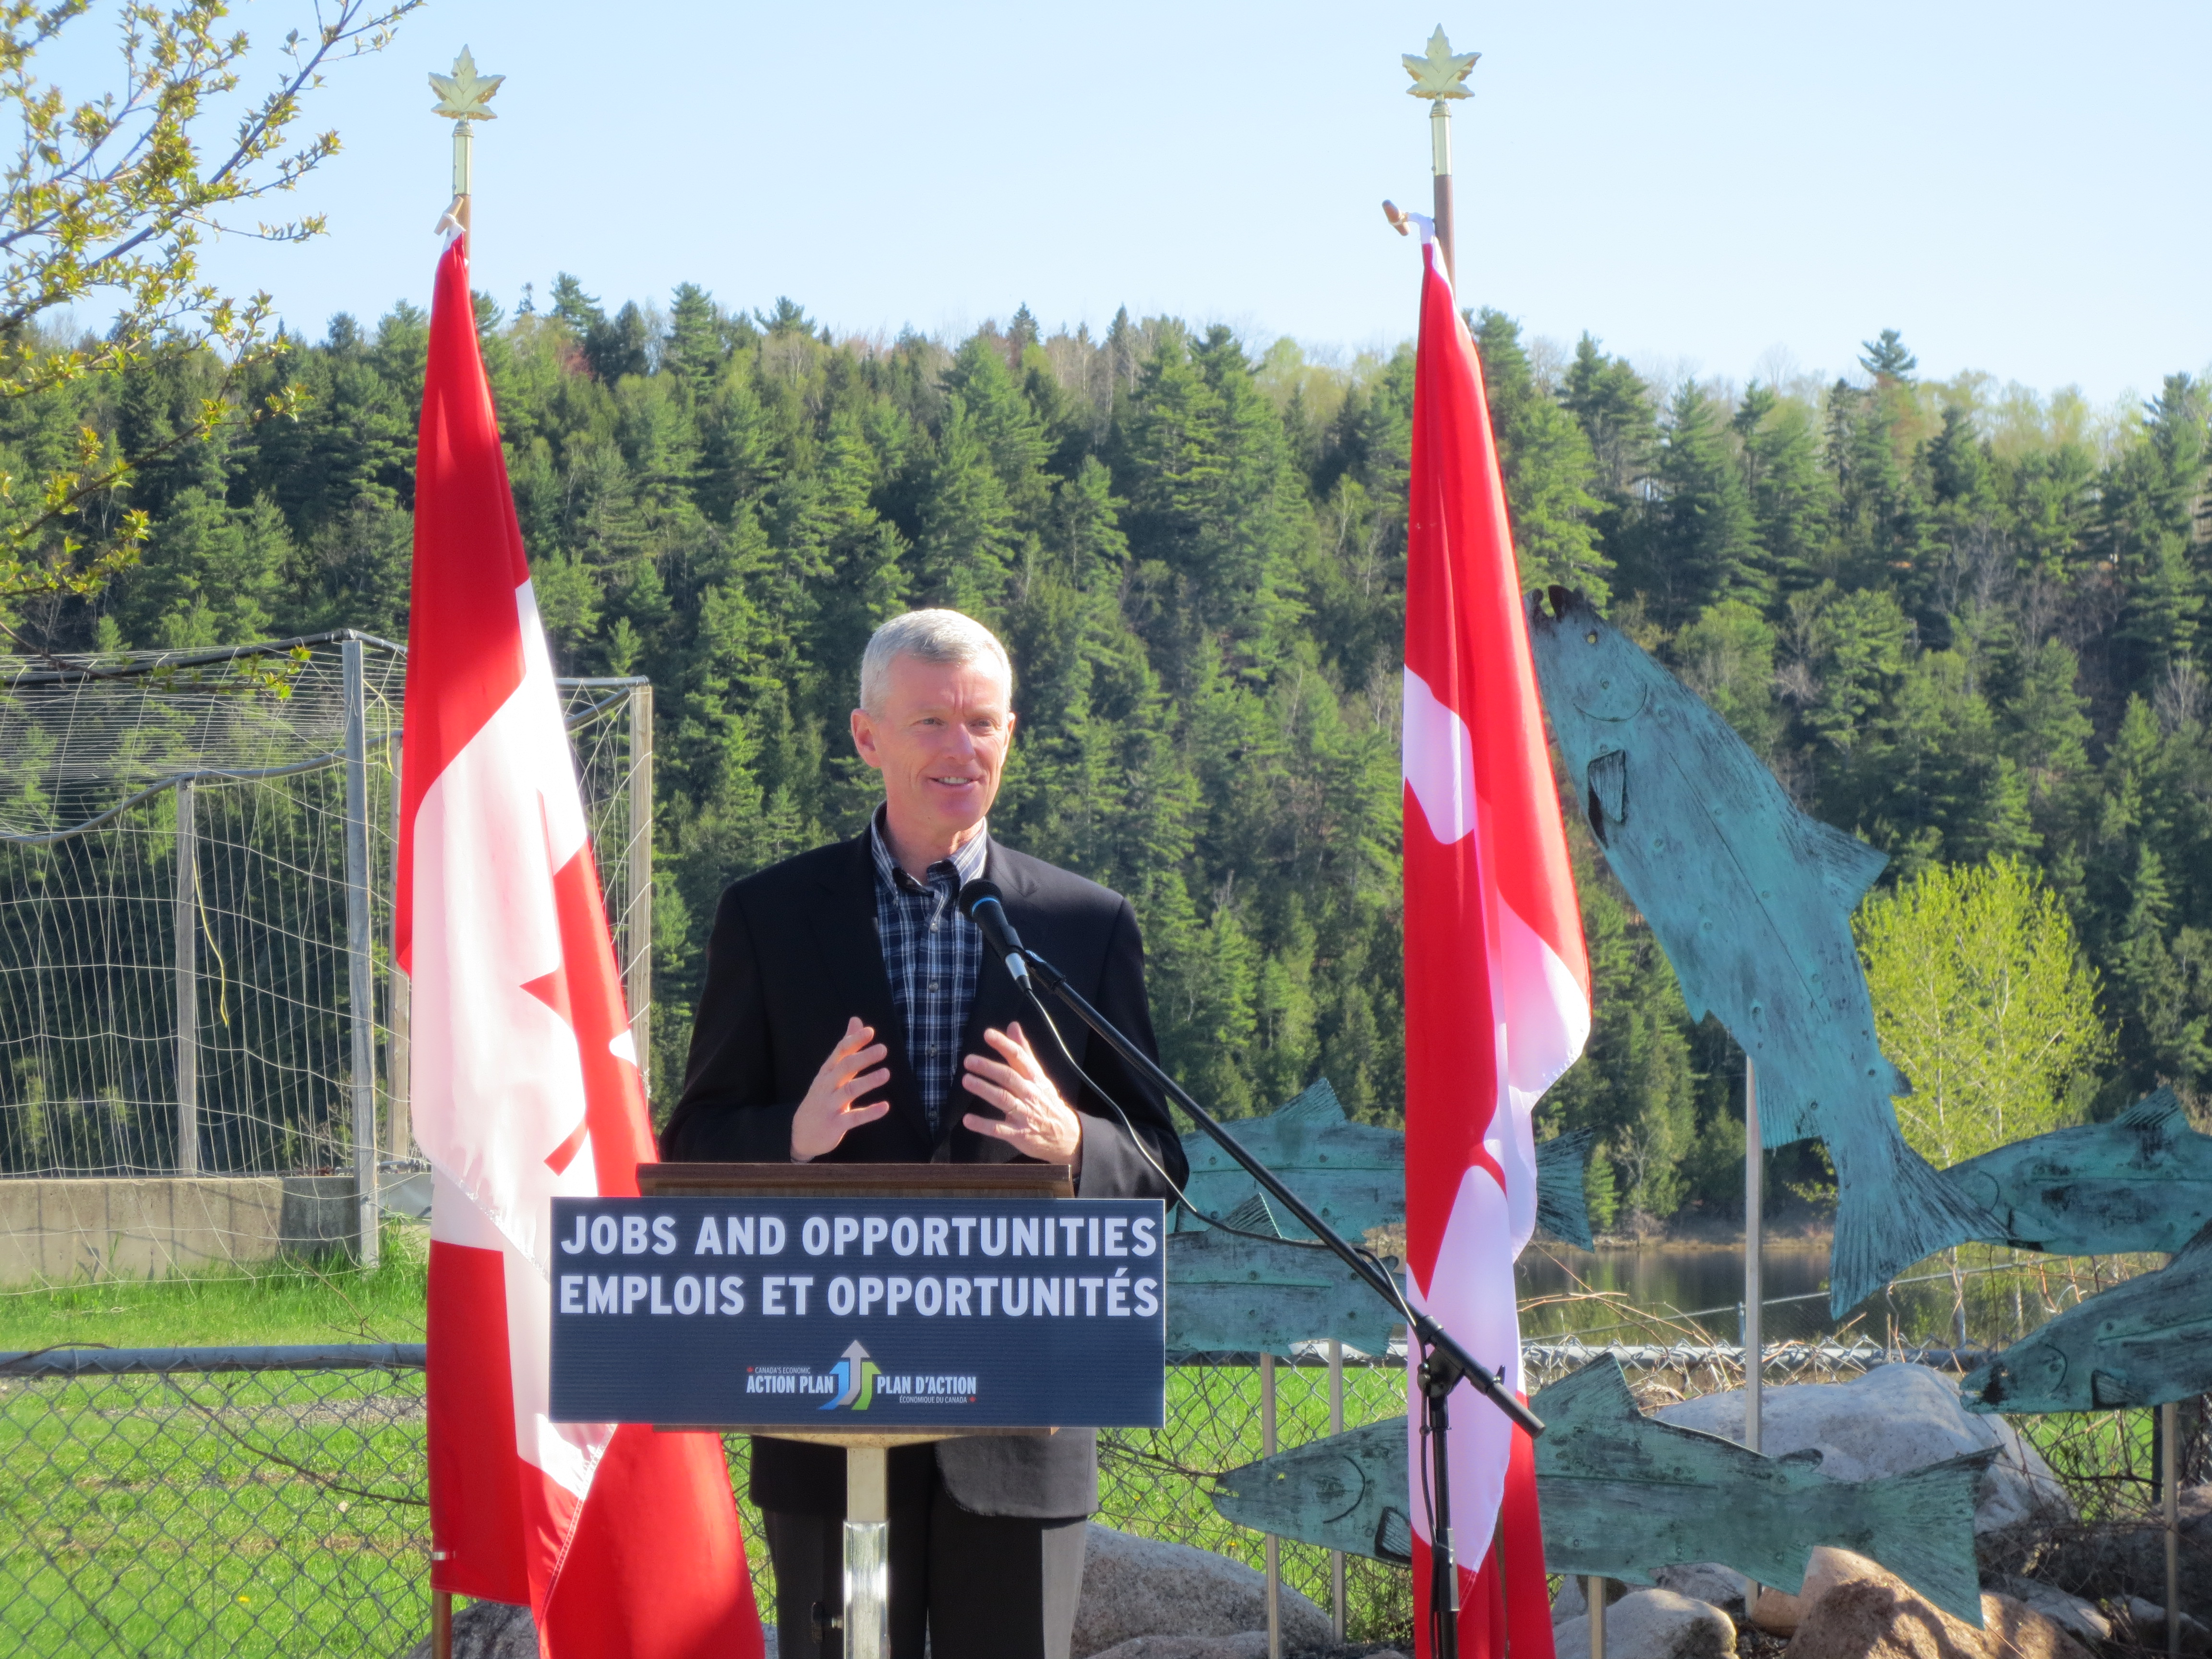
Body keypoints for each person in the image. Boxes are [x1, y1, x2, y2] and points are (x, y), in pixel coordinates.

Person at [661, 608, 1187, 1659]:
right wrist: (793, 1138)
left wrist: (1076, 1144)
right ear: (868, 738)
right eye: (933, 723)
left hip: (1025, 1423)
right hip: (827, 1408)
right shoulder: (768, 917)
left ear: (1011, 734)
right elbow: (694, 1150)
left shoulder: (1085, 925)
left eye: (983, 723)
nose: (962, 749)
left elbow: (1161, 1167)